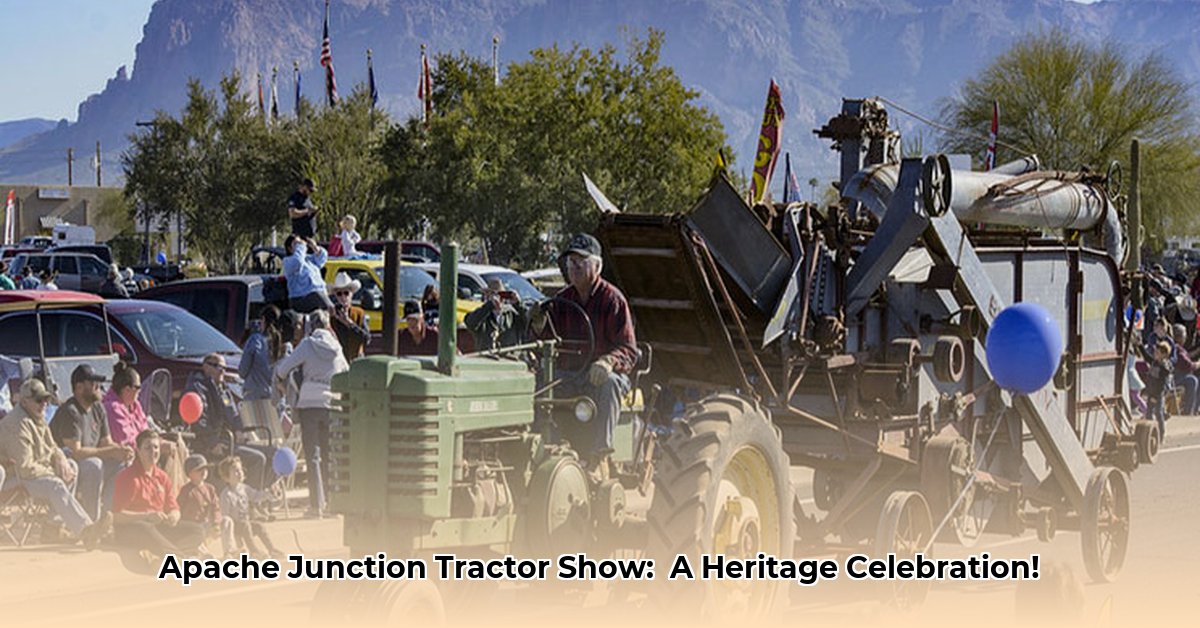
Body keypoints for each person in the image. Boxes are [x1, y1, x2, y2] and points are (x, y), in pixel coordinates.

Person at [531, 233, 637, 481]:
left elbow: (629, 350)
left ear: (597, 266)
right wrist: (537, 324)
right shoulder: (562, 300)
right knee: (538, 384)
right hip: (570, 375)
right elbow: (546, 340)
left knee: (610, 384)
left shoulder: (613, 300)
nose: (574, 267)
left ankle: (599, 456)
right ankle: (545, 447)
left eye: (581, 261)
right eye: (570, 262)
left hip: (603, 376)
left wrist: (608, 362)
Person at [0, 378, 112, 548]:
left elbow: (52, 446)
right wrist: (54, 472)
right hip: (15, 477)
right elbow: (25, 468)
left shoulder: (36, 417)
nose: (44, 404)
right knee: (56, 484)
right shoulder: (18, 424)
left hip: (33, 473)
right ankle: (86, 530)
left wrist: (60, 459)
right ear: (24, 401)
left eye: (46, 399)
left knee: (70, 467)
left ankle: (53, 529)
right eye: (39, 400)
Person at [274, 310, 349, 518]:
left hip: (309, 404)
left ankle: (316, 506)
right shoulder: (337, 347)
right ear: (327, 325)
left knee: (313, 456)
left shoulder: (307, 345)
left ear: (311, 326)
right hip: (332, 404)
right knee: (330, 455)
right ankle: (333, 503)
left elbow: (283, 369)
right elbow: (346, 372)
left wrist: (284, 381)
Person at [50, 364, 133, 521]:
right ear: (79, 387)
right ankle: (90, 522)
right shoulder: (70, 411)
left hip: (88, 464)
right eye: (93, 383)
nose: (98, 387)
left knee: (123, 464)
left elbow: (106, 442)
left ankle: (107, 518)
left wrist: (122, 450)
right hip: (66, 466)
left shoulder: (98, 408)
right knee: (93, 465)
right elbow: (75, 451)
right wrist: (110, 451)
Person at [112, 430, 206, 560]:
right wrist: (146, 516)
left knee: (197, 530)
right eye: (147, 448)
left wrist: (173, 516)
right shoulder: (127, 477)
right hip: (133, 529)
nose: (153, 451)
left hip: (158, 527)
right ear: (138, 451)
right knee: (145, 528)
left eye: (156, 447)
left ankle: (167, 554)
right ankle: (178, 559)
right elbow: (117, 516)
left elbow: (174, 507)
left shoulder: (162, 477)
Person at [186, 353, 273, 490]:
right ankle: (249, 503)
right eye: (218, 366)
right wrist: (212, 442)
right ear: (205, 366)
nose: (222, 371)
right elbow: (198, 420)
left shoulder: (224, 389)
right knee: (258, 458)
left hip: (230, 439)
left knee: (273, 454)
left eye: (224, 368)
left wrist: (239, 430)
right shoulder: (198, 388)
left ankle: (257, 496)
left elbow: (234, 415)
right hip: (216, 441)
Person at [217, 456, 282, 558]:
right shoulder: (226, 495)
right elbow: (225, 517)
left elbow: (256, 496)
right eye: (236, 471)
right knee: (245, 525)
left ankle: (271, 549)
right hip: (235, 526)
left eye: (240, 469)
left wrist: (269, 493)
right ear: (226, 478)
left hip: (245, 523)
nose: (240, 473)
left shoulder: (244, 488)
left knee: (259, 526)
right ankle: (254, 551)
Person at [464, 278, 527, 352]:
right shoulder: (481, 315)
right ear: (487, 296)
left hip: (510, 359)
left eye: (501, 295)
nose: (499, 299)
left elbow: (529, 322)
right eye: (493, 294)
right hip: (487, 359)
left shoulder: (512, 315)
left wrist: (518, 305)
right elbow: (470, 323)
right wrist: (489, 305)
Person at [239, 306, 282, 402]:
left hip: (253, 395)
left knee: (253, 417)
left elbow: (242, 371)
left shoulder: (255, 340)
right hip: (273, 397)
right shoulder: (280, 344)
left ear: (263, 319)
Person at [283, 234, 332, 313]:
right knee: (322, 300)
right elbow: (297, 262)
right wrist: (301, 246)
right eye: (296, 244)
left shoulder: (309, 259)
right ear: (289, 248)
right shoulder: (288, 261)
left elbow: (322, 259)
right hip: (300, 297)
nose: (300, 245)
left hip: (318, 295)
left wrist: (315, 247)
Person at [328, 273, 371, 359]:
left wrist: (349, 323)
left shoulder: (359, 313)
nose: (343, 297)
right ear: (335, 295)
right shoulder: (330, 315)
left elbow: (367, 339)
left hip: (356, 360)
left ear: (351, 294)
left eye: (346, 293)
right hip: (337, 361)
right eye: (339, 294)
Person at [1143, 340, 1174, 437]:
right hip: (1151, 391)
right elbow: (1146, 356)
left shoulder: (1164, 368)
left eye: (1157, 353)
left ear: (1163, 355)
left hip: (1158, 393)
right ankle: (1150, 433)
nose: (1155, 354)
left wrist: (1156, 397)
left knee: (1158, 412)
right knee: (1148, 413)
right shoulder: (1154, 362)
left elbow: (1162, 384)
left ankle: (1161, 434)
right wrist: (1139, 345)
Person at [1172, 323, 1199, 415]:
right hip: (1175, 378)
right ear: (1179, 337)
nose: (1186, 337)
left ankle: (1193, 409)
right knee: (1193, 380)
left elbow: (1187, 356)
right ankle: (1189, 410)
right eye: (1184, 334)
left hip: (1177, 376)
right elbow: (1190, 365)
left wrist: (1197, 351)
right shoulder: (1176, 349)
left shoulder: (1177, 348)